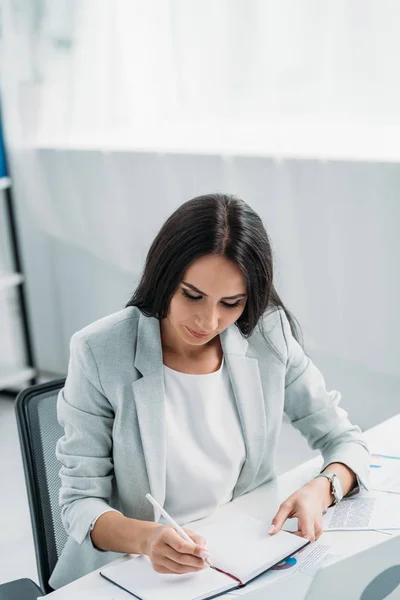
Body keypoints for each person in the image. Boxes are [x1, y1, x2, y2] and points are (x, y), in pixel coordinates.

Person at [49, 193, 369, 589]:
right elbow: (80, 504)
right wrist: (148, 539)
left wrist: (322, 490)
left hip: (238, 561)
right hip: (132, 570)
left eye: (231, 303)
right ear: (163, 276)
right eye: (192, 295)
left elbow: (344, 440)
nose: (209, 320)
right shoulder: (100, 350)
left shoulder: (268, 335)